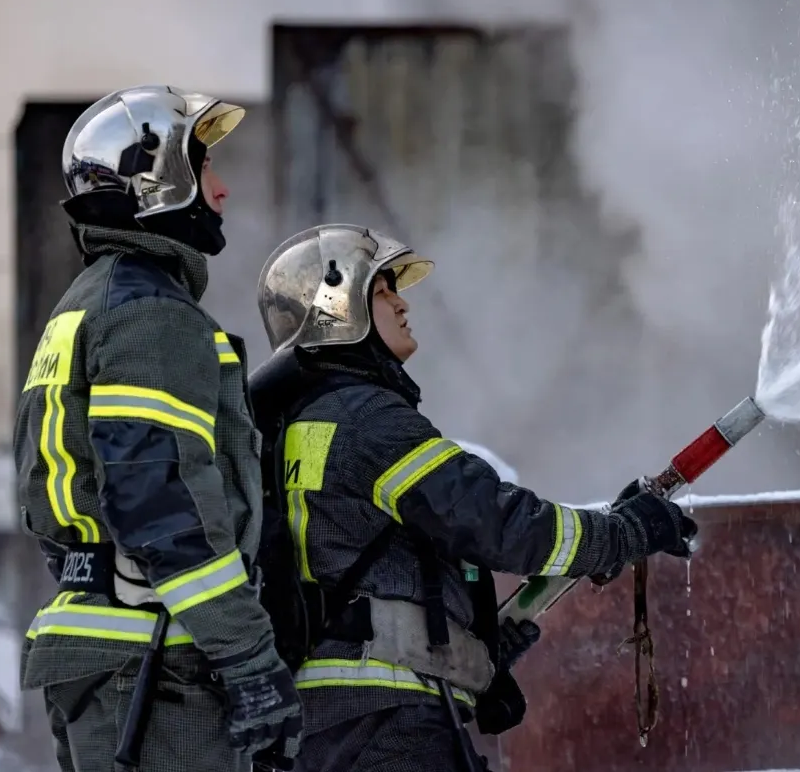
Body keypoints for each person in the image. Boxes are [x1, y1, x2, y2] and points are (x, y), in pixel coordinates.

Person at [248, 224, 698, 772]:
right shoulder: (365, 418)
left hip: (330, 726)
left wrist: (476, 652)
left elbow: (373, 574)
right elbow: (497, 525)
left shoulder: (300, 427)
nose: (402, 302)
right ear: (336, 305)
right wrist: (623, 534)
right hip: (390, 723)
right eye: (384, 289)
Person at [12, 84, 302, 772]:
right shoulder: (151, 314)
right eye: (206, 169)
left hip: (100, 645)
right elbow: (160, 499)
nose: (223, 191)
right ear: (157, 179)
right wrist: (248, 655)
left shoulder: (82, 307)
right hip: (154, 658)